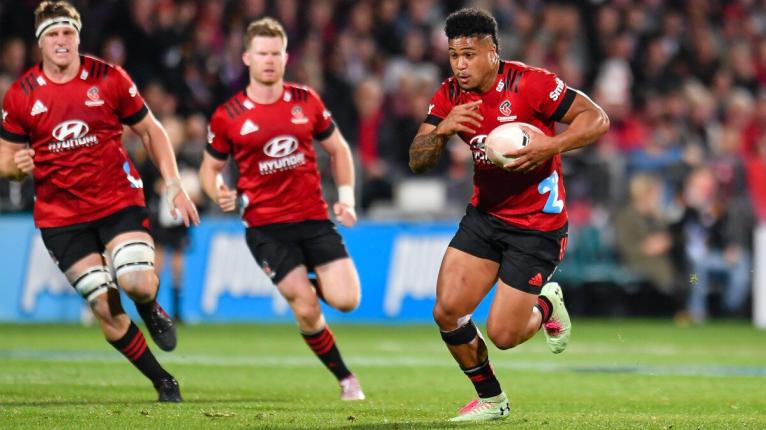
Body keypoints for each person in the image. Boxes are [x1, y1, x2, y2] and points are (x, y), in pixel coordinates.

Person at [408, 8, 609, 422]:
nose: (460, 65)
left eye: (469, 55)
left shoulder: (531, 84)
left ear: (492, 52)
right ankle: (492, 399)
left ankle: (547, 305)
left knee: (503, 335)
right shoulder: (449, 95)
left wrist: (549, 146)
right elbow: (417, 160)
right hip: (485, 218)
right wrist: (443, 129)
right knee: (447, 312)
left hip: (537, 228)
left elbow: (597, 119)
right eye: (454, 55)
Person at [0, 1, 199, 402]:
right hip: (60, 217)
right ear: (40, 42)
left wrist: (174, 182)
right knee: (105, 309)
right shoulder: (21, 95)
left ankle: (149, 306)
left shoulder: (108, 78)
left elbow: (151, 130)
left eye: (68, 32)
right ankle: (163, 381)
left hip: (116, 200)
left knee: (136, 283)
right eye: (53, 34)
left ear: (78, 36)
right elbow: (5, 158)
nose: (61, 40)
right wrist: (15, 168)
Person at [199, 17, 365, 401]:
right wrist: (219, 192)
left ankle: (307, 282)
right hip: (265, 227)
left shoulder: (307, 101)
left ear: (286, 57)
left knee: (347, 300)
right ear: (247, 57)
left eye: (276, 53)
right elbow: (209, 170)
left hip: (313, 218)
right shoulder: (228, 115)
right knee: (306, 308)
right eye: (262, 53)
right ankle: (345, 377)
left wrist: (347, 197)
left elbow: (339, 149)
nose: (269, 60)